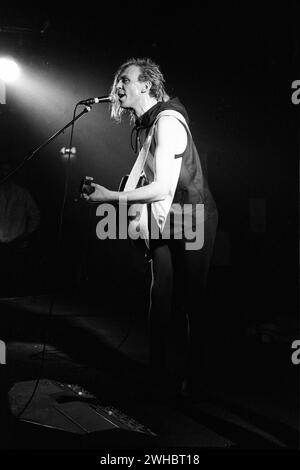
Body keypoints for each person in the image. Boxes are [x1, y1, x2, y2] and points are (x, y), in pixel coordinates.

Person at [84, 58, 218, 396]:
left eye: (124, 80)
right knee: (160, 293)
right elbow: (145, 174)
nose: (118, 87)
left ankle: (196, 377)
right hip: (165, 215)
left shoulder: (169, 121)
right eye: (118, 81)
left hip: (191, 213)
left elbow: (162, 188)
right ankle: (156, 373)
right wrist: (125, 199)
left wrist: (111, 197)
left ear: (146, 84)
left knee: (191, 299)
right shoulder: (147, 123)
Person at [0, 161, 41, 296]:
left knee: (14, 277)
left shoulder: (22, 193)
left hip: (15, 243)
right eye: (3, 170)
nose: (5, 174)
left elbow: (35, 214)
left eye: (8, 170)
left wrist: (26, 234)